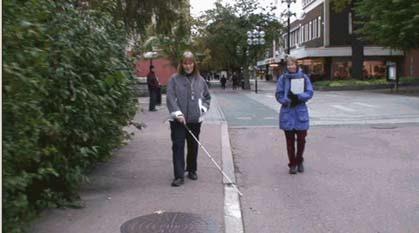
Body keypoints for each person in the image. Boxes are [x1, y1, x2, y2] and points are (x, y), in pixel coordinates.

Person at [166, 51, 211, 187]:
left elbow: (207, 98)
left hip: (194, 120)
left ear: (194, 64)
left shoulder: (200, 80)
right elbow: (170, 98)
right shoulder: (174, 79)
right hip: (178, 121)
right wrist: (177, 114)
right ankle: (179, 176)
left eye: (190, 63)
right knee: (178, 146)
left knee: (193, 146)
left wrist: (202, 109)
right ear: (181, 64)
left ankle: (192, 169)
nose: (188, 66)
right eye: (185, 63)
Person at [275, 56, 313, 174]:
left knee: (301, 140)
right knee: (290, 141)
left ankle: (299, 160)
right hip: (288, 111)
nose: (291, 66)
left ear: (297, 65)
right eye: (288, 65)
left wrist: (300, 96)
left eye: (292, 64)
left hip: (300, 111)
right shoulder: (283, 78)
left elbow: (310, 92)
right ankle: (292, 164)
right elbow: (278, 94)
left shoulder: (304, 77)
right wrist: (285, 99)